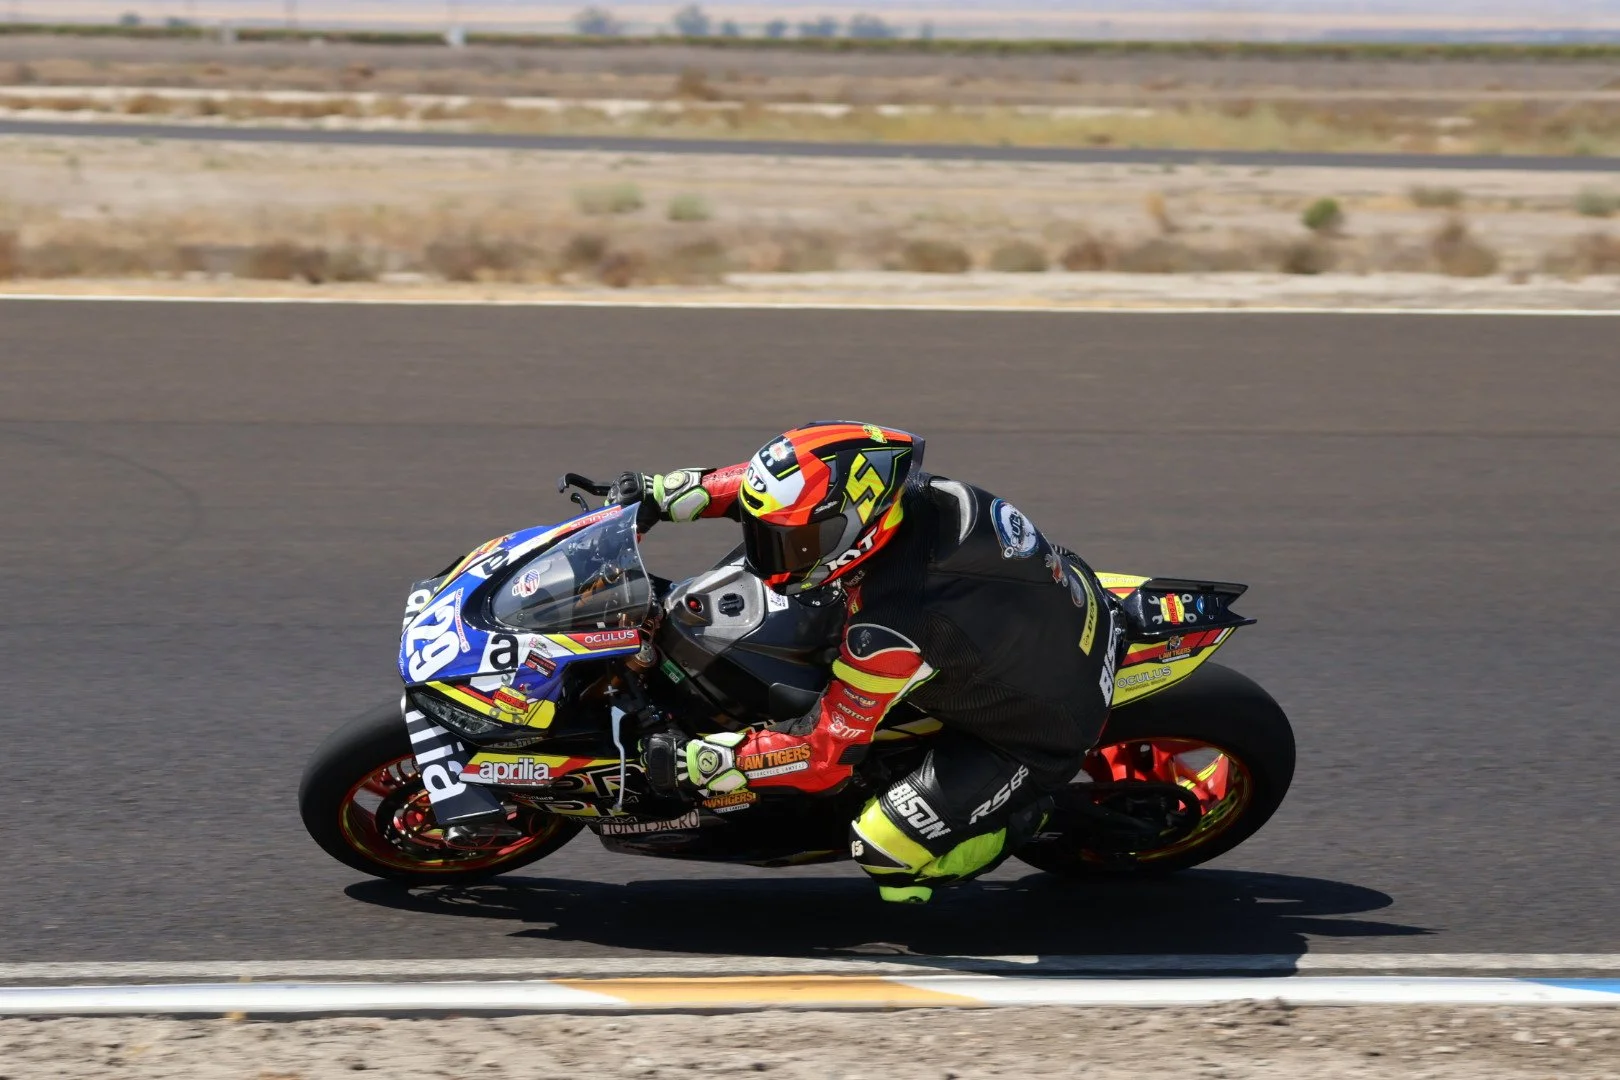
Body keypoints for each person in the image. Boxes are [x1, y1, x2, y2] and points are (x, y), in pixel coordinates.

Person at [618, 421, 1118, 903]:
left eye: (792, 545)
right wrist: (675, 491)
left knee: (886, 853)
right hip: (1053, 610)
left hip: (1033, 729)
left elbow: (822, 755)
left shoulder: (890, 628)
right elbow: (787, 492)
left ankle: (1033, 815)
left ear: (855, 527)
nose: (771, 559)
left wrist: (717, 761)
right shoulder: (908, 495)